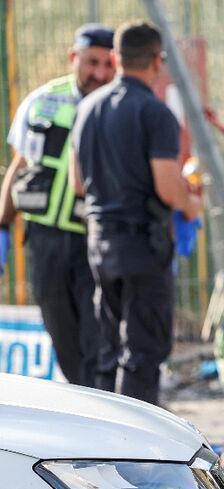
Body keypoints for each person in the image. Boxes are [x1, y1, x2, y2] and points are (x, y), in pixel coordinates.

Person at [70, 20, 202, 405]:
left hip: (99, 242)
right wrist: (191, 204)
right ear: (157, 61)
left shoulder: (88, 108)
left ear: (116, 58)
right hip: (143, 245)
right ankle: (134, 453)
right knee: (142, 353)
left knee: (108, 351)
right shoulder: (155, 112)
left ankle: (98, 442)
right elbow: (167, 186)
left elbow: (77, 183)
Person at [0, 24, 115, 387]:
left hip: (93, 242)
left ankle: (101, 412)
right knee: (62, 335)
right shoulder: (44, 100)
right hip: (45, 241)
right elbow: (20, 165)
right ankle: (84, 408)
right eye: (91, 62)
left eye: (107, 64)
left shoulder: (119, 107)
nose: (99, 73)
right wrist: (1, 228)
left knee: (96, 338)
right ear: (73, 58)